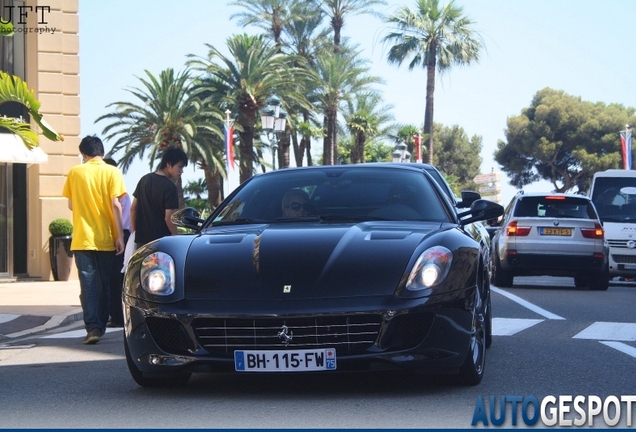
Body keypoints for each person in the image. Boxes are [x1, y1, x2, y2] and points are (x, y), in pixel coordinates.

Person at [62, 135, 126, 345]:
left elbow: (71, 205)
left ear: (84, 154)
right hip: (105, 237)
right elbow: (116, 205)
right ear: (102, 152)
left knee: (87, 285)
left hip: (82, 239)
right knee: (104, 284)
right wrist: (120, 235)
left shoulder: (75, 172)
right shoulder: (112, 171)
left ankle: (93, 327)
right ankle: (101, 324)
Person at [130, 147, 188, 248]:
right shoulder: (170, 187)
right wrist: (177, 237)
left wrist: (135, 232)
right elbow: (169, 218)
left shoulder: (144, 180)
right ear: (169, 164)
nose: (181, 171)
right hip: (161, 242)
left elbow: (133, 209)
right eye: (180, 167)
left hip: (141, 242)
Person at [103, 157, 131, 328]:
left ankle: (117, 316)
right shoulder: (120, 194)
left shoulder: (120, 195)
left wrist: (119, 236)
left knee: (114, 278)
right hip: (121, 234)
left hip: (119, 235)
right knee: (114, 278)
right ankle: (116, 315)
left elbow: (123, 215)